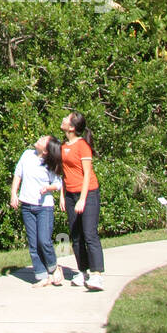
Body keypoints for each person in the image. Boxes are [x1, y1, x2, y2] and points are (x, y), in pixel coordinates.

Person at [59, 110, 104, 290]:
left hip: (88, 193)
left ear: (72, 127)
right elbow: (63, 174)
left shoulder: (82, 146)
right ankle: (82, 271)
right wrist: (63, 195)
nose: (62, 119)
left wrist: (82, 199)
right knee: (76, 235)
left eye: (66, 118)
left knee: (89, 234)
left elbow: (87, 175)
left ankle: (97, 274)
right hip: (70, 194)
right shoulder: (63, 146)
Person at [10, 135, 63, 286]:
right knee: (33, 244)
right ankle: (42, 277)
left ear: (46, 151)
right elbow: (18, 174)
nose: (39, 139)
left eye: (42, 140)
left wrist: (48, 188)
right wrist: (14, 193)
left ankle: (54, 268)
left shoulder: (49, 164)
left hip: (44, 207)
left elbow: (58, 184)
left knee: (44, 241)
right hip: (27, 205)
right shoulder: (27, 154)